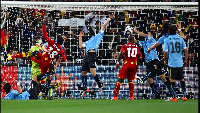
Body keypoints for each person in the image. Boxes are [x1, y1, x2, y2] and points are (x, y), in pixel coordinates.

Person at [133, 25, 175, 99]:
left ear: (151, 35)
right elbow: (136, 41)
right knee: (149, 80)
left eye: (148, 33)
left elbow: (143, 35)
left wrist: (136, 31)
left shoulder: (152, 40)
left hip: (155, 60)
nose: (147, 34)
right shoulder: (144, 43)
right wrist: (131, 35)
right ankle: (157, 95)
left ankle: (173, 93)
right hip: (149, 63)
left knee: (163, 77)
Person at [78, 13, 114, 97]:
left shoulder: (99, 36)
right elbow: (80, 46)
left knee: (93, 73)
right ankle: (84, 89)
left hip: (92, 55)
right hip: (86, 56)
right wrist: (80, 37)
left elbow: (103, 26)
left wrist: (108, 19)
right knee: (83, 73)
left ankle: (100, 85)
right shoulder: (90, 39)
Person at [29, 18, 66, 100]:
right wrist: (58, 60)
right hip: (47, 62)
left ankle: (46, 94)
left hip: (43, 58)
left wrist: (44, 25)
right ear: (62, 42)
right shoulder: (61, 50)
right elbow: (63, 59)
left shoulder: (52, 42)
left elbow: (45, 35)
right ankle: (47, 89)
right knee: (44, 76)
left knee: (45, 78)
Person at [112, 35, 142, 100]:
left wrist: (118, 62)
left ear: (128, 40)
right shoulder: (136, 46)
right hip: (134, 65)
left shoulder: (125, 46)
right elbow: (140, 56)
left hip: (127, 64)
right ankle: (131, 97)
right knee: (130, 80)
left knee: (119, 79)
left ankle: (115, 96)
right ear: (133, 40)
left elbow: (121, 54)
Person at [163, 25, 188, 101]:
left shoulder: (167, 40)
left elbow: (165, 52)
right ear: (176, 31)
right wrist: (186, 60)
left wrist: (165, 60)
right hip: (180, 62)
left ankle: (174, 97)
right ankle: (184, 96)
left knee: (171, 79)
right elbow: (186, 49)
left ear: (168, 32)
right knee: (182, 79)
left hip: (172, 63)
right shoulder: (181, 39)